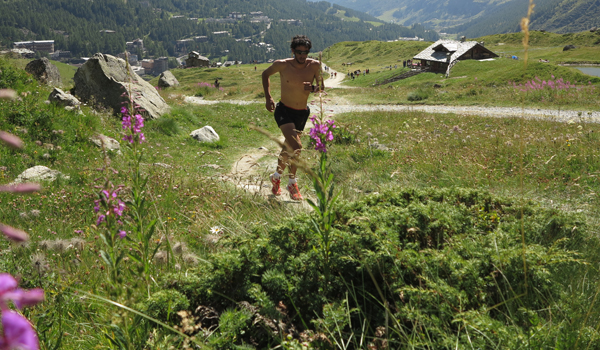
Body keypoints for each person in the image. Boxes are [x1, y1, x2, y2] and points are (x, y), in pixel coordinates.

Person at [262, 35, 323, 200]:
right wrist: (268, 98)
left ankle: (276, 177)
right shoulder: (282, 65)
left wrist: (313, 88)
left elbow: (321, 87)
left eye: (306, 52)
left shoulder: (315, 65)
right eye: (299, 52)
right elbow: (265, 74)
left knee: (289, 148)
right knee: (296, 146)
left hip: (302, 112)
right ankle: (292, 183)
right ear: (293, 51)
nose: (302, 56)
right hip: (284, 110)